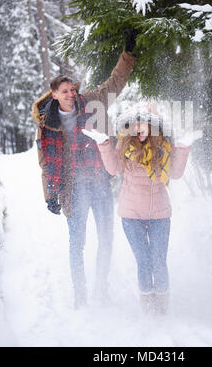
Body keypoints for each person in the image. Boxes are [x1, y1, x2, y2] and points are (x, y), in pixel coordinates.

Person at [31, 33, 137, 309]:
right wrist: (49, 195)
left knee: (106, 238)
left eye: (72, 89)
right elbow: (46, 164)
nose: (70, 94)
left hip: (100, 182)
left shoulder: (91, 102)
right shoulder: (47, 125)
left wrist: (128, 55)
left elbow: (115, 83)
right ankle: (80, 293)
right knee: (77, 242)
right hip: (73, 189)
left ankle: (101, 288)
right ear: (54, 95)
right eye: (64, 91)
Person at [83, 104, 202, 315]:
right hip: (131, 215)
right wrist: (103, 143)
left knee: (159, 262)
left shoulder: (163, 147)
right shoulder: (124, 146)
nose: (138, 127)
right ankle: (149, 311)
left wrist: (183, 148)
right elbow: (112, 169)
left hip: (160, 214)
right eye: (133, 124)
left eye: (143, 123)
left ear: (152, 126)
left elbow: (174, 173)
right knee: (144, 263)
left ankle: (162, 311)